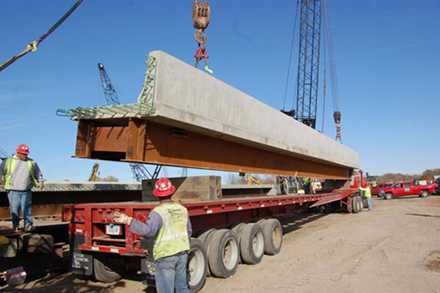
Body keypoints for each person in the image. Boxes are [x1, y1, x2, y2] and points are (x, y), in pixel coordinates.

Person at [113, 177, 192, 293]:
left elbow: (148, 231)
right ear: (172, 192)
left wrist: (128, 220)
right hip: (182, 253)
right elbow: (188, 231)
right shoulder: (182, 209)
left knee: (166, 290)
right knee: (182, 287)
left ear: (157, 195)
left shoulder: (158, 212)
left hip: (166, 255)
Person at [0, 144, 44, 231]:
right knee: (15, 208)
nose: (25, 156)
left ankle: (28, 225)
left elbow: (38, 173)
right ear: (18, 152)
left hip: (26, 189)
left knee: (27, 208)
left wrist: (40, 181)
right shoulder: (8, 161)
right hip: (13, 189)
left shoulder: (31, 162)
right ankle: (15, 225)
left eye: (26, 154)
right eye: (23, 154)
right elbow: (0, 170)